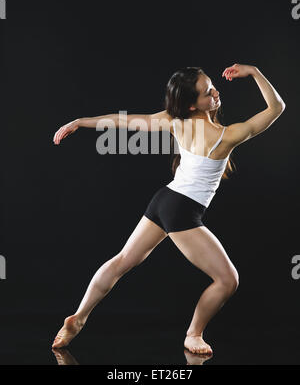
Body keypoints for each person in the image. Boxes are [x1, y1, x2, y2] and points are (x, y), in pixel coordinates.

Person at [51, 64, 285, 354]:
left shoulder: (174, 119)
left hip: (164, 199)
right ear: (192, 104)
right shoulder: (225, 137)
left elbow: (124, 121)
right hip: (181, 210)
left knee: (123, 260)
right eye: (206, 92)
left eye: (212, 86)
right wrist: (254, 72)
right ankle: (193, 334)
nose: (215, 92)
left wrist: (80, 121)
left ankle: (79, 317)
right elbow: (277, 107)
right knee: (228, 280)